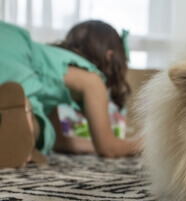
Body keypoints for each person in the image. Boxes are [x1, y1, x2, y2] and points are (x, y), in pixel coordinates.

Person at [0, 20, 139, 168]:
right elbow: (109, 148)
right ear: (109, 57)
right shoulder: (92, 80)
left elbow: (59, 142)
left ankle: (18, 118)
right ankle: (27, 128)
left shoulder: (50, 65)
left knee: (47, 129)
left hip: (9, 42)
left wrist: (93, 143)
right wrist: (147, 143)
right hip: (18, 73)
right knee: (42, 129)